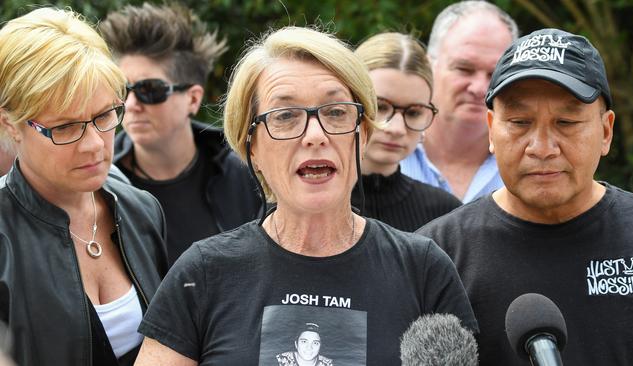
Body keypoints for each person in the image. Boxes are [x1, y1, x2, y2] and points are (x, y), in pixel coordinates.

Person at [133, 26, 477, 365]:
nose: (315, 135)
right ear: (250, 147)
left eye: (336, 112)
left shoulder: (424, 269)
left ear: (364, 133)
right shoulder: (203, 272)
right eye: (285, 116)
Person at [417, 28, 633, 365]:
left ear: (605, 131)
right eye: (519, 122)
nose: (542, 148)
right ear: (491, 129)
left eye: (567, 122)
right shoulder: (435, 258)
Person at [0, 8, 168, 366]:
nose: (94, 144)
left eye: (105, 115)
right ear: (10, 125)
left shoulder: (141, 209)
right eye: (64, 127)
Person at [100, 3, 261, 264]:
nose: (131, 105)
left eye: (150, 90)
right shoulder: (102, 185)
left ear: (193, 99)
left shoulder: (247, 174)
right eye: (121, 90)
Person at [401, 1, 518, 203]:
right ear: (429, 66)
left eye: (493, 73)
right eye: (464, 69)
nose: (479, 87)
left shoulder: (527, 165)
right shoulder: (382, 153)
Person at [351, 32, 461, 232]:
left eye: (413, 112)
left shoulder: (446, 214)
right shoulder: (306, 205)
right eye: (380, 107)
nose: (397, 129)